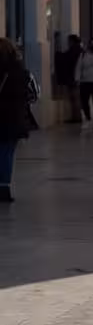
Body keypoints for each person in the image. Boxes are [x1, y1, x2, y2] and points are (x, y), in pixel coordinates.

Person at [0, 38, 33, 203]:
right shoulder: (19, 70)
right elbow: (32, 94)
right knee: (6, 153)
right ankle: (4, 188)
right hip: (12, 118)